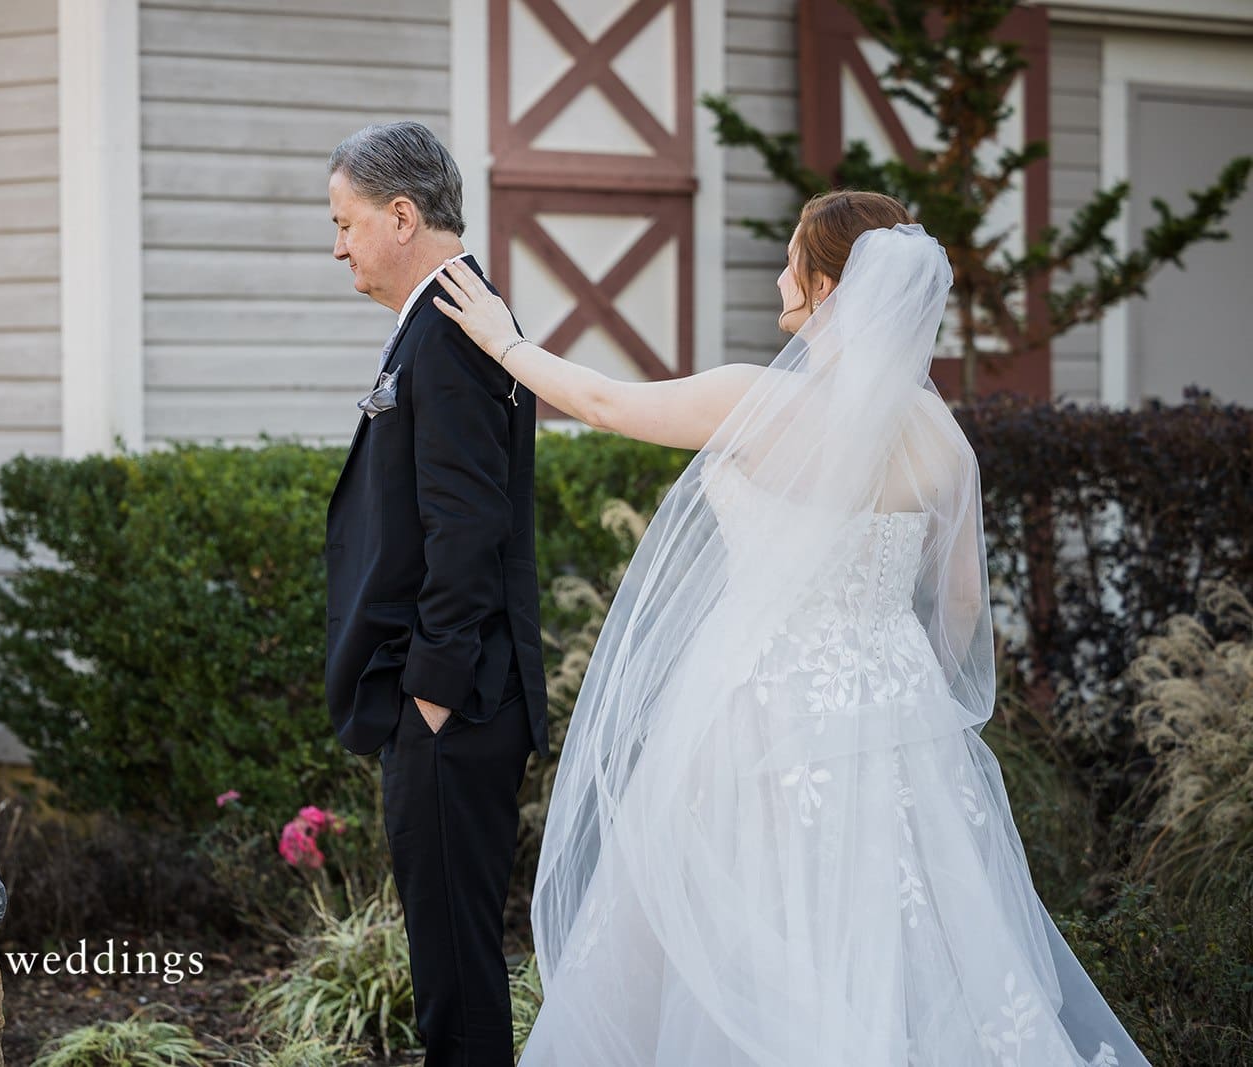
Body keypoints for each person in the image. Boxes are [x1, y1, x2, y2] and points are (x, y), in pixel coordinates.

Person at [432, 190, 1150, 1066]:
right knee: (905, 940)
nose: (779, 273)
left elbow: (604, 401)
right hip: (895, 714)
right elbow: (962, 606)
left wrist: (505, 342)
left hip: (756, 712)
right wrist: (901, 685)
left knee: (742, 925)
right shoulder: (943, 441)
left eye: (790, 259)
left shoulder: (755, 402)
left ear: (823, 286)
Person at [322, 120, 550, 1066]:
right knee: (450, 962)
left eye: (345, 222)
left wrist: (434, 689)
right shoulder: (449, 313)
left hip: (455, 704)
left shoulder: (451, 331)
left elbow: (469, 525)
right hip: (452, 697)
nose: (337, 245)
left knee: (455, 978)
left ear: (402, 216)